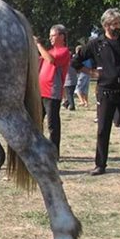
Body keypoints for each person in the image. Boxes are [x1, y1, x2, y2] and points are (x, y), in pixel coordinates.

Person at [72, 8, 120, 176]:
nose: (119, 27)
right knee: (102, 130)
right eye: (115, 24)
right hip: (105, 92)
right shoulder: (95, 43)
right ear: (106, 25)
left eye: (119, 23)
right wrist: (92, 73)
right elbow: (76, 62)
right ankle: (100, 165)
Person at [36, 25, 70, 156]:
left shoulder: (64, 51)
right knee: (37, 121)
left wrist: (38, 44)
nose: (50, 38)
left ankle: (54, 152)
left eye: (52, 35)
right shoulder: (49, 51)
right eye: (49, 36)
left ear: (61, 36)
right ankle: (40, 148)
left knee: (52, 124)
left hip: (52, 92)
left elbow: (51, 60)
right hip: (40, 91)